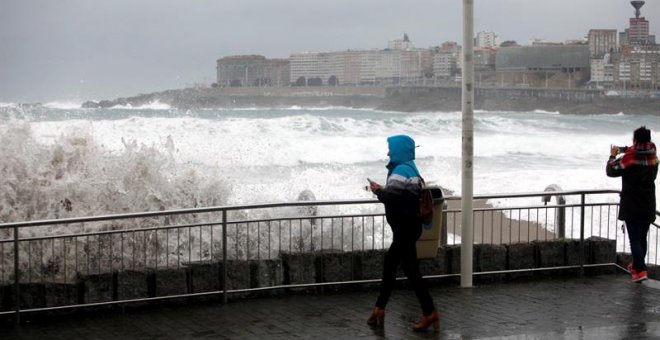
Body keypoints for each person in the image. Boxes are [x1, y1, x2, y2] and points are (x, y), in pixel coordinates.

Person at [366, 134, 439, 331]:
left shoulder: (400, 170)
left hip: (405, 231)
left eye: (391, 148)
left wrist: (377, 191)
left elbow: (391, 198)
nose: (388, 152)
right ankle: (382, 309)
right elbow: (399, 195)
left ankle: (427, 312)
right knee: (404, 270)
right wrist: (384, 190)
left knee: (397, 269)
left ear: (399, 150)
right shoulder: (410, 169)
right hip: (408, 229)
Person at [606, 126, 658, 283]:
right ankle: (636, 265)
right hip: (648, 203)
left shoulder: (630, 159)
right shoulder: (652, 153)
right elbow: (635, 149)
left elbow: (611, 170)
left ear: (635, 140)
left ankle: (641, 271)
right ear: (648, 140)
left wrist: (612, 155)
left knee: (634, 238)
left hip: (632, 204)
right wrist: (623, 149)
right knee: (642, 238)